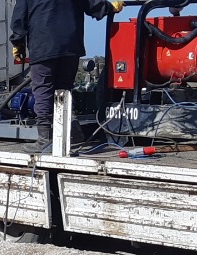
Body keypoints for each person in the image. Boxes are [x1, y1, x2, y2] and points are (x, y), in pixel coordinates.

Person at [10, 0, 123, 150]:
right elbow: (93, 6)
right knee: (65, 90)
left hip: (43, 46)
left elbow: (19, 18)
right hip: (71, 46)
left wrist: (18, 43)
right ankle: (74, 133)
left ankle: (45, 139)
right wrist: (110, 7)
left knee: (43, 91)